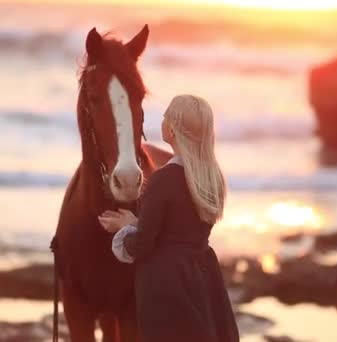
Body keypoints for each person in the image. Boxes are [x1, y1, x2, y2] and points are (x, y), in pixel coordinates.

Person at [98, 94, 240, 342]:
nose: (162, 120)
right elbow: (178, 229)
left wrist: (125, 231)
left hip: (166, 281)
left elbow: (143, 245)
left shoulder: (165, 179)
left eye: (165, 116)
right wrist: (134, 222)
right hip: (201, 275)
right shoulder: (211, 177)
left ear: (172, 130)